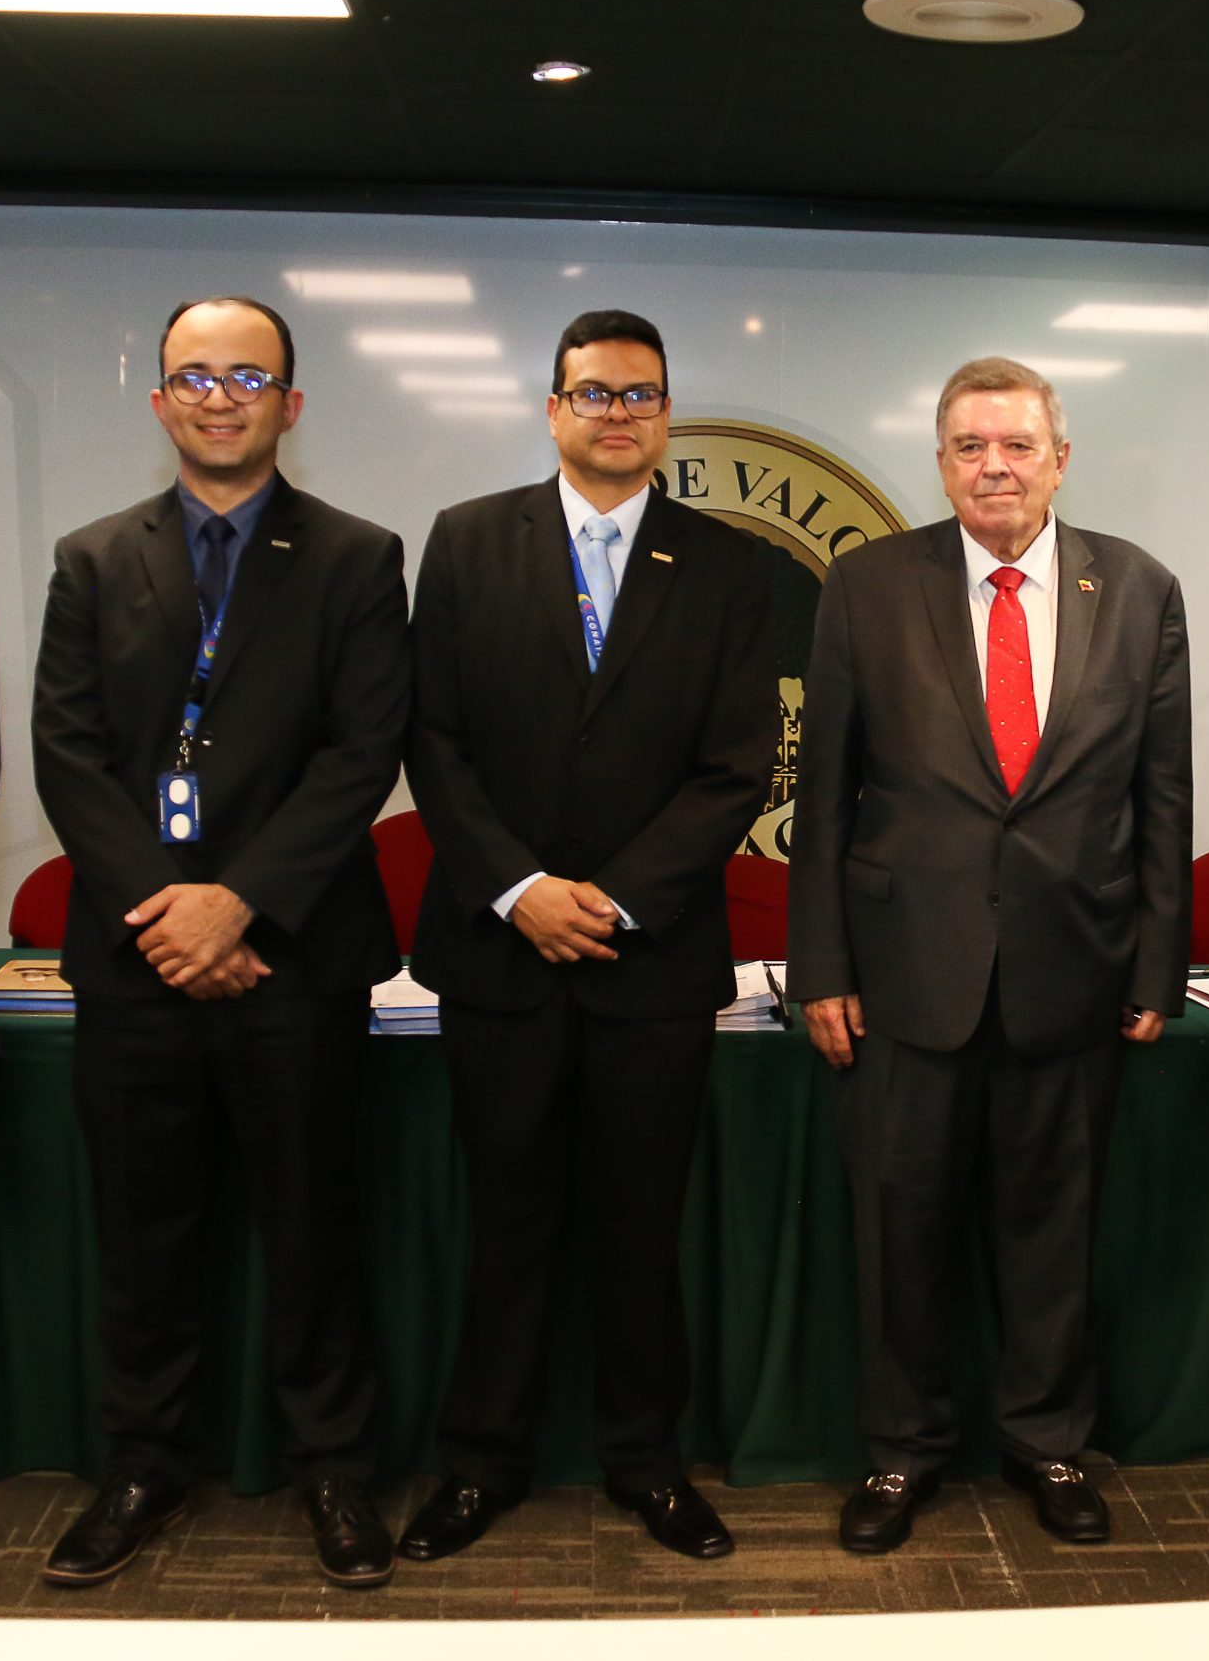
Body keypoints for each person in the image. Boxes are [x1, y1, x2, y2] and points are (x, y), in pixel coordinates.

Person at [30, 296, 411, 1588]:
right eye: (195, 375)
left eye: (248, 376)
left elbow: (361, 750)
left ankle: (333, 1469)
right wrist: (170, 912)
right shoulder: (93, 559)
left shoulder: (356, 557)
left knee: (314, 1231)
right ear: (159, 401)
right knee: (145, 1237)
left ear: (289, 403)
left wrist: (238, 903)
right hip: (138, 962)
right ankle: (142, 1465)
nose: (220, 395)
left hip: (295, 959)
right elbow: (69, 753)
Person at [787, 355, 1191, 1554]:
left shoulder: (1138, 586)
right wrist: (821, 969)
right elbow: (824, 797)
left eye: (1016, 445)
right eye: (969, 446)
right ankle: (900, 1453)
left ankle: (1047, 1443)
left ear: (1059, 459)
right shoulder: (866, 586)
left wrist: (1155, 967)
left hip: (1075, 974)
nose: (994, 467)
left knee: (1053, 1234)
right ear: (941, 462)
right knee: (899, 1234)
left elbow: (1161, 794)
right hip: (904, 978)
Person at [399, 309, 773, 1564]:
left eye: (640, 394)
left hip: (647, 960)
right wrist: (519, 888)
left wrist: (612, 895)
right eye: (594, 392)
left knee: (638, 1227)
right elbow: (431, 738)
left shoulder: (725, 564)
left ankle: (647, 1463)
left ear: (666, 413)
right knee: (503, 1222)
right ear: (552, 408)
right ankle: (479, 1464)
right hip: (499, 952)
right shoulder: (467, 540)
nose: (618, 413)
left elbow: (736, 766)